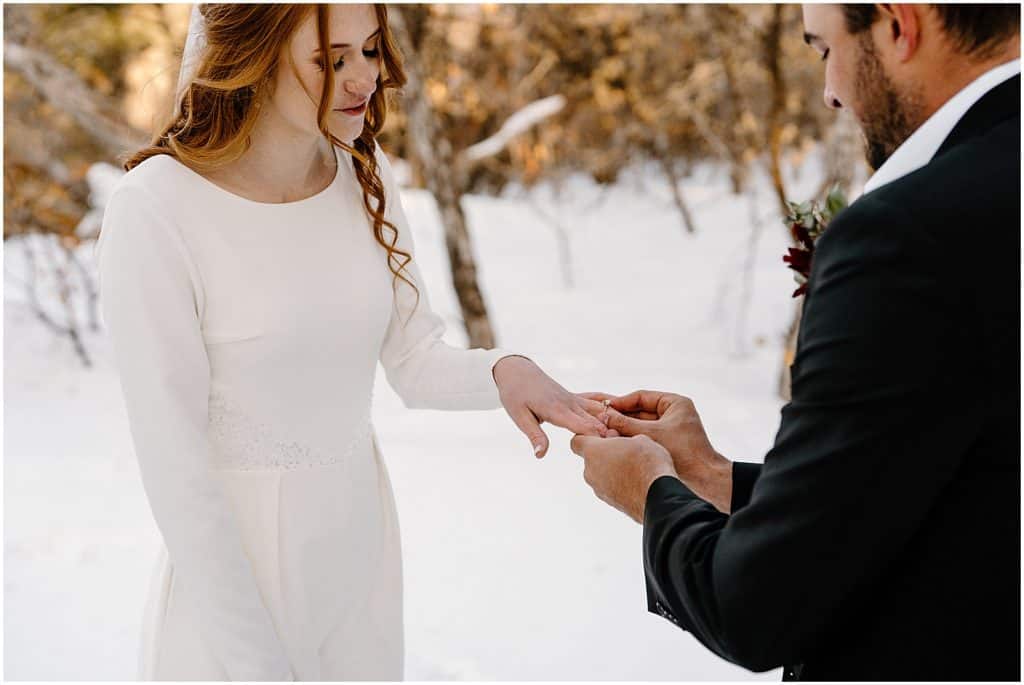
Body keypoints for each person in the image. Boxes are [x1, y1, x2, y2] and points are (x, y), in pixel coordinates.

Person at [95, 4, 607, 680]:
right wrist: (256, 666)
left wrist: (505, 371)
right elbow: (177, 472)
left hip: (357, 566)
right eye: (331, 60)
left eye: (369, 49)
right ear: (254, 54)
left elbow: (415, 359)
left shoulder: (363, 173)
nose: (365, 76)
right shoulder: (156, 208)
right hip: (232, 592)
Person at [570, 4, 1020, 680]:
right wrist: (712, 475)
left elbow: (755, 608)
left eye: (823, 50)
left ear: (899, 24)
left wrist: (652, 492)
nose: (830, 90)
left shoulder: (904, 240)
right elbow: (955, 485)